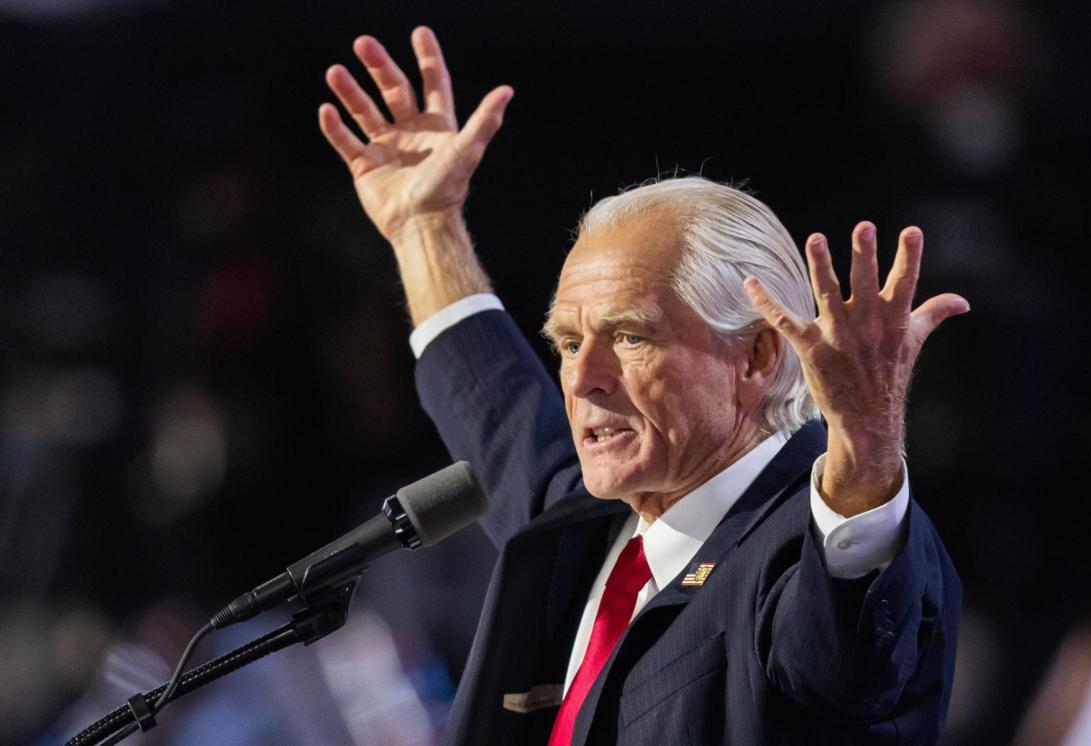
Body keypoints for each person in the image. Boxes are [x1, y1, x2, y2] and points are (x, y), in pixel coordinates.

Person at [318, 25, 968, 745]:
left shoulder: (799, 549)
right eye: (568, 342)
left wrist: (866, 445)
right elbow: (492, 398)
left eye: (630, 336)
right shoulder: (587, 524)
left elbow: (848, 660)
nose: (585, 379)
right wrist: (423, 227)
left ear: (755, 357)